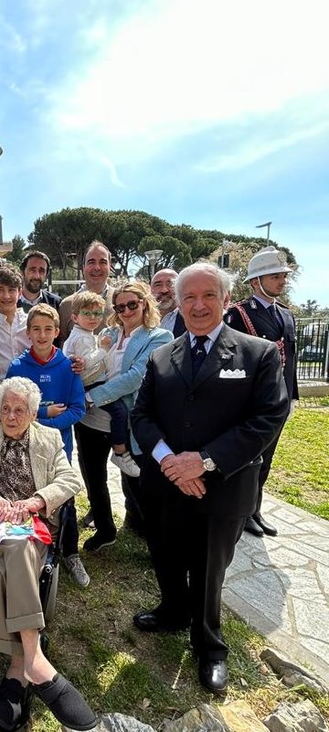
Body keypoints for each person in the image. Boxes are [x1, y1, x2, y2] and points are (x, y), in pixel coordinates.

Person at [131, 263, 288, 693]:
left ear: (225, 299)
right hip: (166, 483)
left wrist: (203, 461)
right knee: (164, 553)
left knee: (207, 570)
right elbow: (142, 414)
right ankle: (172, 611)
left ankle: (209, 646)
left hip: (222, 485)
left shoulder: (258, 353)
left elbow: (268, 417)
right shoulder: (163, 355)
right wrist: (169, 461)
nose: (198, 305)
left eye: (208, 296)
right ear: (178, 303)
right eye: (189, 298)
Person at [0, 376, 96, 732]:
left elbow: (70, 479)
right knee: (14, 549)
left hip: (34, 525)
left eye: (19, 410)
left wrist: (34, 502)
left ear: (33, 412)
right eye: (5, 409)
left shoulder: (49, 437)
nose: (10, 416)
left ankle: (21, 665)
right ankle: (31, 659)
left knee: (10, 561)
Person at [78, 281, 173, 552]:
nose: (126, 310)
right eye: (120, 306)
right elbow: (93, 365)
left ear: (144, 303)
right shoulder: (106, 332)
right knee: (93, 478)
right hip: (92, 419)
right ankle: (105, 529)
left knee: (138, 483)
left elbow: (135, 379)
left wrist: (90, 397)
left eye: (132, 304)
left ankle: (157, 541)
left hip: (130, 420)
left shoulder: (159, 337)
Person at [6, 304, 87, 586]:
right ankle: (34, 551)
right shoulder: (17, 367)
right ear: (28, 333)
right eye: (36, 329)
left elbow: (78, 410)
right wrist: (43, 413)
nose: (42, 335)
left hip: (59, 449)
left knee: (64, 499)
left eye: (48, 329)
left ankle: (71, 552)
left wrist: (44, 427)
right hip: (24, 447)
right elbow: (9, 409)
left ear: (57, 332)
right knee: (30, 497)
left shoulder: (68, 366)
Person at [224, 247, 298, 538]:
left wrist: (291, 396)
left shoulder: (287, 315)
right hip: (250, 401)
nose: (282, 281)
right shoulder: (238, 315)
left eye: (283, 276)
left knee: (266, 459)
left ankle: (255, 508)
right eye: (275, 276)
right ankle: (241, 512)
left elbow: (290, 360)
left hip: (278, 400)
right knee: (247, 460)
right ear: (256, 281)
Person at [65, 290, 140, 479]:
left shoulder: (86, 334)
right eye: (87, 313)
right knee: (120, 412)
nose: (93, 318)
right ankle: (120, 452)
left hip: (89, 385)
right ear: (74, 317)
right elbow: (86, 363)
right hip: (90, 385)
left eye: (97, 313)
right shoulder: (83, 337)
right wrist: (103, 349)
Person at [58, 241, 114, 342]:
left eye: (103, 262)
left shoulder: (120, 302)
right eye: (91, 262)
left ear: (110, 267)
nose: (97, 267)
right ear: (83, 267)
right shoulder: (67, 306)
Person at [0, 266, 30, 388]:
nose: (6, 296)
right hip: (0, 392)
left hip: (32, 390)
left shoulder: (31, 322)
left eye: (11, 290)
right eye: (0, 290)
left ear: (20, 292)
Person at [150, 268, 186, 337]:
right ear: (150, 290)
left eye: (170, 284)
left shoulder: (190, 317)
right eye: (158, 285)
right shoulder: (141, 318)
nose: (164, 290)